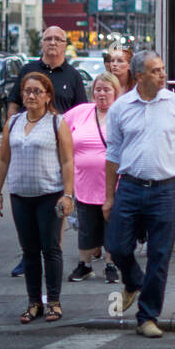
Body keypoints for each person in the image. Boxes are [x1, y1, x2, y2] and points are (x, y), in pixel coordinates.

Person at [102, 50, 175, 339]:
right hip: (130, 187)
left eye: (162, 69)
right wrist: (109, 196)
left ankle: (147, 316)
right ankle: (134, 281)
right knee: (117, 246)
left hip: (166, 190)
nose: (162, 74)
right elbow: (112, 154)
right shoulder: (121, 108)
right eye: (155, 71)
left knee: (159, 256)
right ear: (138, 76)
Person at [0, 72, 76, 323]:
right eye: (27, 91)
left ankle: (53, 301)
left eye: (37, 91)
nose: (31, 95)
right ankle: (33, 302)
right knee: (28, 251)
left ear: (48, 96)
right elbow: (3, 158)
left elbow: (68, 161)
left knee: (51, 249)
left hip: (50, 195)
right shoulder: (13, 123)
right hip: (21, 195)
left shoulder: (56, 123)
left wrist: (68, 195)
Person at [5, 26, 87, 276]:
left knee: (55, 212)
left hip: (57, 153)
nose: (52, 43)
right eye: (48, 39)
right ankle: (28, 256)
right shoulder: (29, 71)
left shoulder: (73, 76)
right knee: (26, 206)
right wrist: (12, 134)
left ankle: (52, 258)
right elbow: (13, 105)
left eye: (57, 39)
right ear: (41, 43)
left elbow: (81, 115)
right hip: (28, 149)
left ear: (65, 44)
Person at [65, 73, 123, 284]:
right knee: (86, 226)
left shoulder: (121, 115)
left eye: (107, 90)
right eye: (98, 89)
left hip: (114, 183)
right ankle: (85, 264)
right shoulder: (81, 112)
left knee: (112, 226)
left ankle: (111, 265)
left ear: (116, 93)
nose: (101, 94)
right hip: (84, 182)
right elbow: (60, 129)